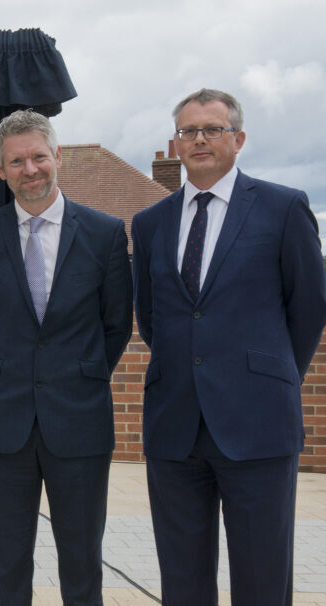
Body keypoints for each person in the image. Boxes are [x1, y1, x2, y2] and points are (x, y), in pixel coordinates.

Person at [132, 89, 326, 605]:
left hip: (258, 423)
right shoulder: (151, 224)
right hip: (175, 426)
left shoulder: (284, 207)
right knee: (183, 581)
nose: (199, 139)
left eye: (212, 129)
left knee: (263, 580)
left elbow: (308, 309)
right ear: (175, 143)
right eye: (188, 130)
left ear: (237, 139)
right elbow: (152, 316)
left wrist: (272, 376)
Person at [0, 109, 133, 605]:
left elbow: (115, 325)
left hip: (79, 423)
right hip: (3, 424)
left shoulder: (104, 234)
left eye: (38, 157)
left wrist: (74, 376)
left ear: (58, 156)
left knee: (82, 565)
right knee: (8, 565)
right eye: (16, 162)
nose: (29, 169)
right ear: (0, 170)